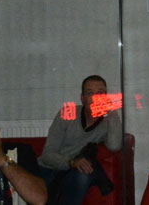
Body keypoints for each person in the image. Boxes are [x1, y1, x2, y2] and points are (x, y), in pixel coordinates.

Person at [38, 75, 123, 205]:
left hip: (74, 173)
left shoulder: (107, 122)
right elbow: (47, 155)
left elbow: (115, 145)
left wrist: (112, 111)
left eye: (100, 93)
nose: (95, 98)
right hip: (49, 169)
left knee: (84, 175)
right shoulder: (67, 113)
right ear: (82, 98)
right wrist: (71, 162)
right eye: (90, 93)